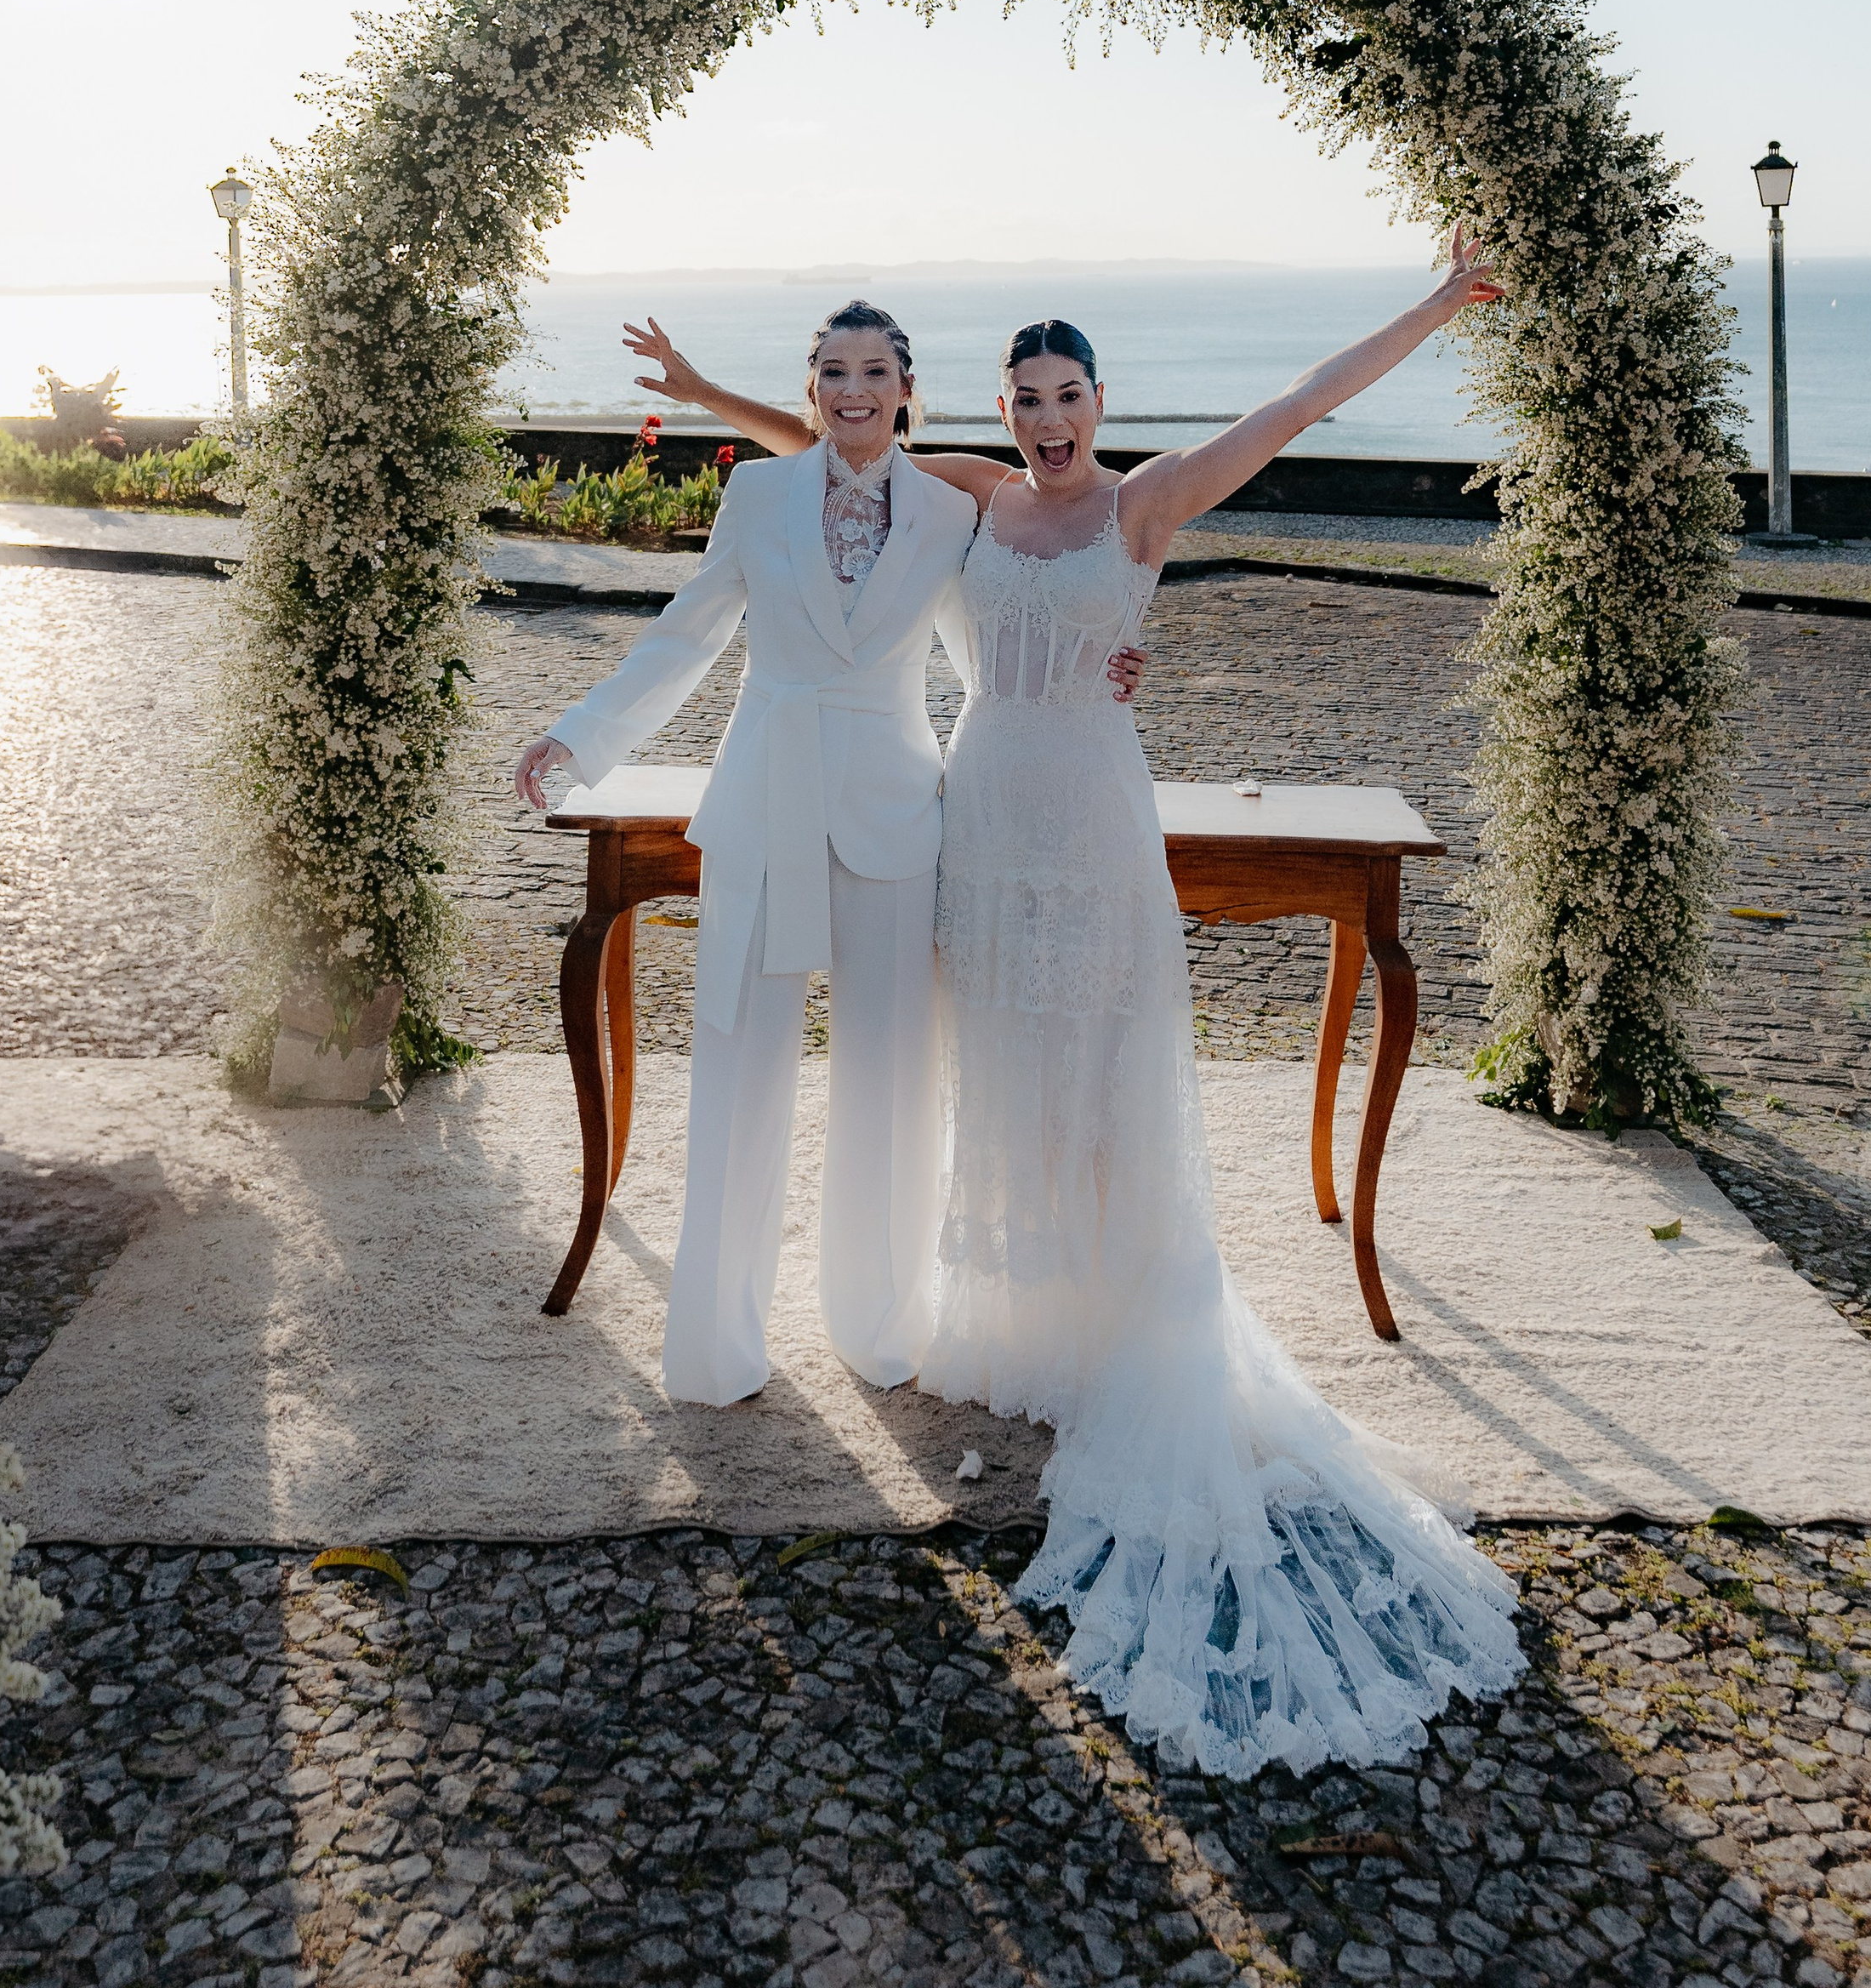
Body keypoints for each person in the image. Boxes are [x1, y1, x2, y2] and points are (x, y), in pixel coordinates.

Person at [677, 234, 1525, 1777]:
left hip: (1093, 818)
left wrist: (1438, 304)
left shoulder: (1147, 501)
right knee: (994, 1068)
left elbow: (1301, 403)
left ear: (1101, 400)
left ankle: (1120, 1320)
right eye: (1025, 397)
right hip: (979, 812)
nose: (1046, 418)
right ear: (998, 408)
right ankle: (1019, 1314)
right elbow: (830, 444)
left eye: (1067, 394)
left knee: (1108, 1078)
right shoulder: (982, 497)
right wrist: (702, 390)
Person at [512, 303, 1146, 1409]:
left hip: (899, 818)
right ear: (812, 390)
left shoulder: (954, 513)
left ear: (909, 389)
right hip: (762, 803)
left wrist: (1105, 663)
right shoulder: (756, 497)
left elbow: (996, 640)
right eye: (834, 372)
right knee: (738, 1075)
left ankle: (880, 1329)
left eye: (876, 371)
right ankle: (715, 1348)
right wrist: (580, 735)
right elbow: (687, 634)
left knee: (893, 1088)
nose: (854, 390)